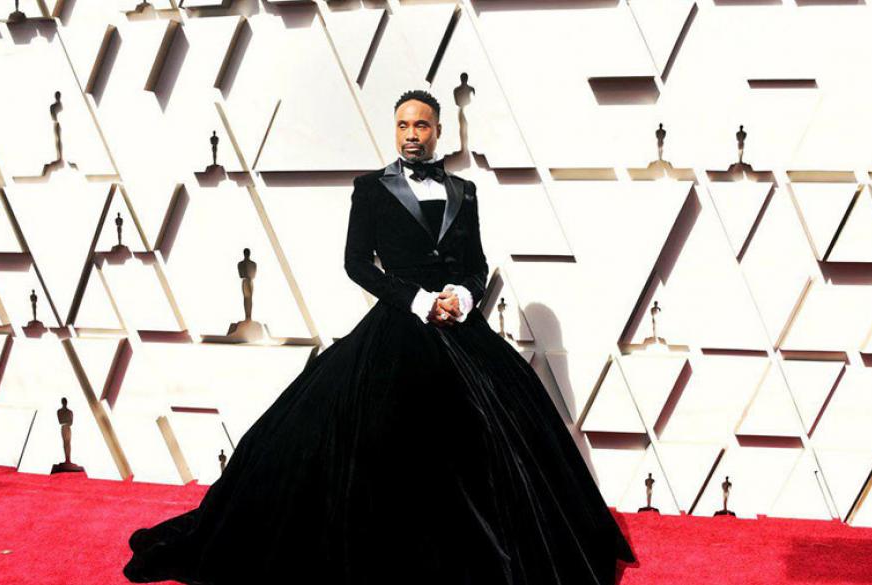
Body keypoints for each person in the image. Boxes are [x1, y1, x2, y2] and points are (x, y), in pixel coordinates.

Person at [123, 89, 636, 585]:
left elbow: (476, 263)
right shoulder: (370, 189)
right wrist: (416, 300)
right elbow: (356, 263)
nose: (411, 134)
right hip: (398, 324)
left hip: (461, 325)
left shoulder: (465, 191)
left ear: (438, 131)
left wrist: (462, 294)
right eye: (402, 125)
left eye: (421, 125)